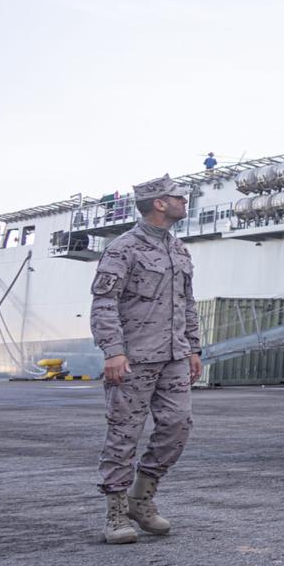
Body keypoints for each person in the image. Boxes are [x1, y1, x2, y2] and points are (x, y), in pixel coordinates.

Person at [89, 174, 202, 545]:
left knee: (177, 426)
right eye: (178, 198)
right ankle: (116, 512)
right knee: (124, 433)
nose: (184, 202)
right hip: (133, 357)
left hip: (173, 356)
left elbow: (187, 303)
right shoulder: (124, 249)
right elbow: (104, 302)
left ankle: (141, 498)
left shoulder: (180, 250)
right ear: (159, 203)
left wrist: (193, 348)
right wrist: (113, 351)